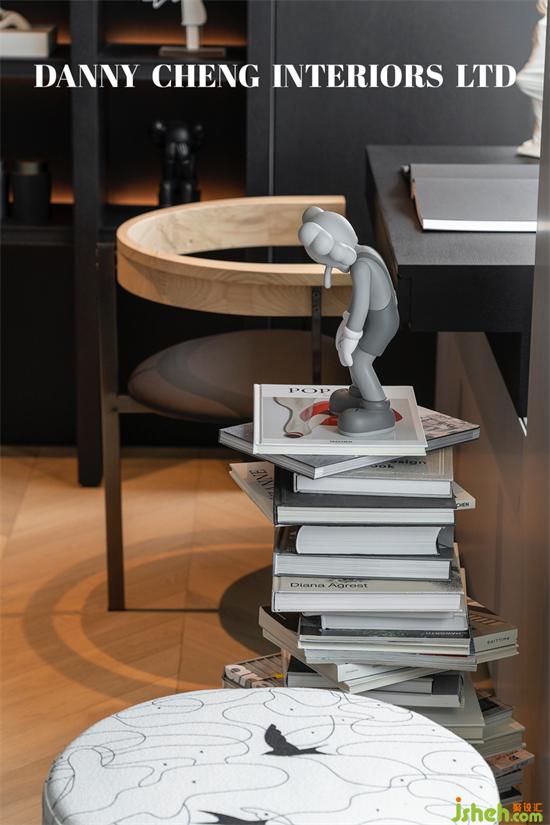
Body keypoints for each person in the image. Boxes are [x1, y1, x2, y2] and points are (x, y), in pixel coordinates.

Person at [298, 206, 399, 436]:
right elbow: (358, 301)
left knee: (360, 361)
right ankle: (359, 394)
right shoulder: (364, 253)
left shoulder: (361, 266)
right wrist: (346, 323)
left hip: (382, 322)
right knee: (354, 357)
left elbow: (362, 304)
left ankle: (378, 409)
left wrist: (352, 335)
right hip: (377, 316)